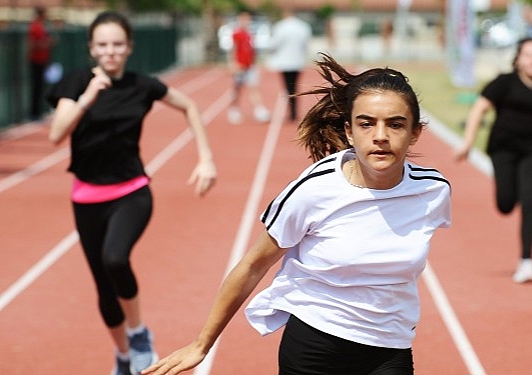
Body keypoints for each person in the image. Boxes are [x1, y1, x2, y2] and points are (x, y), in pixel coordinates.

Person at [142, 54, 451, 375]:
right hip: (316, 346)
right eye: (366, 123)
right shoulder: (314, 190)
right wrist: (201, 345)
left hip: (390, 348)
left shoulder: (433, 192)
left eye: (396, 124)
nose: (380, 135)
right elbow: (252, 265)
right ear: (349, 131)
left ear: (415, 133)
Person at [46, 11, 217, 375]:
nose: (111, 51)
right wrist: (87, 97)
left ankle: (138, 334)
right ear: (92, 48)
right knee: (104, 291)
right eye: (103, 45)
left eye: (118, 44)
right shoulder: (76, 82)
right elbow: (56, 133)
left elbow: (188, 105)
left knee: (115, 259)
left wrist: (205, 158)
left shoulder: (142, 85)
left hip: (132, 191)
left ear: (129, 47)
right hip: (86, 197)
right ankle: (123, 355)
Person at [454, 38, 532, 283]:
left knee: (530, 201)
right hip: (504, 149)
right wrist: (468, 143)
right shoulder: (504, 83)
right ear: (518, 58)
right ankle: (510, 196)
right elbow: (479, 109)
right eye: (528, 55)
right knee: (505, 204)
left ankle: (526, 261)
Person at [267, 6, 312, 122]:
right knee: (294, 87)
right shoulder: (303, 27)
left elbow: (274, 44)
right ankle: (293, 111)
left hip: (285, 62)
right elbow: (306, 44)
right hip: (297, 61)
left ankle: (292, 112)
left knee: (288, 87)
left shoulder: (281, 27)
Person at [227, 11, 270, 125]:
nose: (246, 22)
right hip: (240, 66)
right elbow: (234, 49)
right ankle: (234, 109)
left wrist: (254, 62)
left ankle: (259, 110)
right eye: (244, 19)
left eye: (248, 19)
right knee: (237, 89)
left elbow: (251, 50)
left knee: (253, 88)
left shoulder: (249, 34)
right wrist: (233, 63)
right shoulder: (237, 34)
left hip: (249, 66)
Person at [28, 6, 53, 120]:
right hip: (36, 61)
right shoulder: (35, 27)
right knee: (36, 87)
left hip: (42, 60)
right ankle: (35, 113)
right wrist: (46, 44)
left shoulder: (42, 27)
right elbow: (33, 45)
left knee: (41, 86)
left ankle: (39, 110)